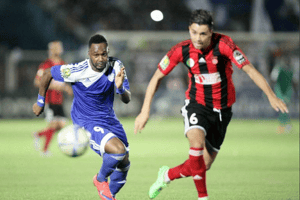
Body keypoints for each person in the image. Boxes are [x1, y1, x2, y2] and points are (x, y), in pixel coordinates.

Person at [134, 9, 288, 200]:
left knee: (202, 165)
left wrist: (271, 96)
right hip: (196, 104)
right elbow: (156, 77)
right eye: (194, 32)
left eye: (203, 33)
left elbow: (250, 70)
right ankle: (203, 197)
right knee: (196, 145)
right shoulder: (180, 50)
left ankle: (166, 175)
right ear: (189, 30)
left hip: (222, 111)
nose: (197, 38)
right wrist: (144, 110)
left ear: (211, 31)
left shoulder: (224, 45)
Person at [33, 34, 131, 200]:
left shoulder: (116, 65)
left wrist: (120, 88)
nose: (100, 59)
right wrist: (40, 101)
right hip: (86, 120)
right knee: (118, 151)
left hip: (109, 119)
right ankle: (100, 179)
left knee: (124, 164)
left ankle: (109, 196)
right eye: (96, 55)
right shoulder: (78, 70)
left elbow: (127, 99)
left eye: (104, 54)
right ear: (89, 54)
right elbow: (47, 74)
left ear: (108, 52)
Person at [33, 41, 73, 156]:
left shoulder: (62, 64)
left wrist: (67, 88)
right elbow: (37, 82)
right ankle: (45, 150)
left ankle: (39, 134)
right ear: (52, 50)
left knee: (62, 124)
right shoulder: (46, 65)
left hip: (59, 100)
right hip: (49, 100)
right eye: (57, 47)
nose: (60, 49)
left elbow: (65, 81)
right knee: (53, 124)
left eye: (60, 47)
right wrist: (54, 86)